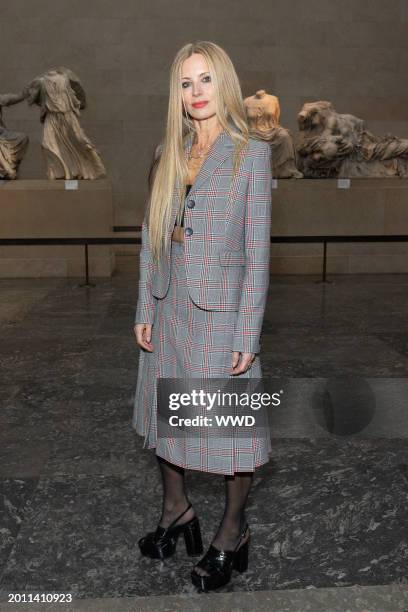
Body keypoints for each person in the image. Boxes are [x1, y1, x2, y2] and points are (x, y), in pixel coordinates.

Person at [132, 40, 272, 592]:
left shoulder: (249, 153)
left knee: (229, 432)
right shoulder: (169, 150)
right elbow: (151, 238)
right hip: (168, 310)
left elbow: (259, 253)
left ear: (225, 84)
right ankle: (176, 510)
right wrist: (145, 303)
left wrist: (248, 331)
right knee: (170, 416)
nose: (196, 93)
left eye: (205, 80)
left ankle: (231, 532)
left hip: (221, 314)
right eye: (186, 83)